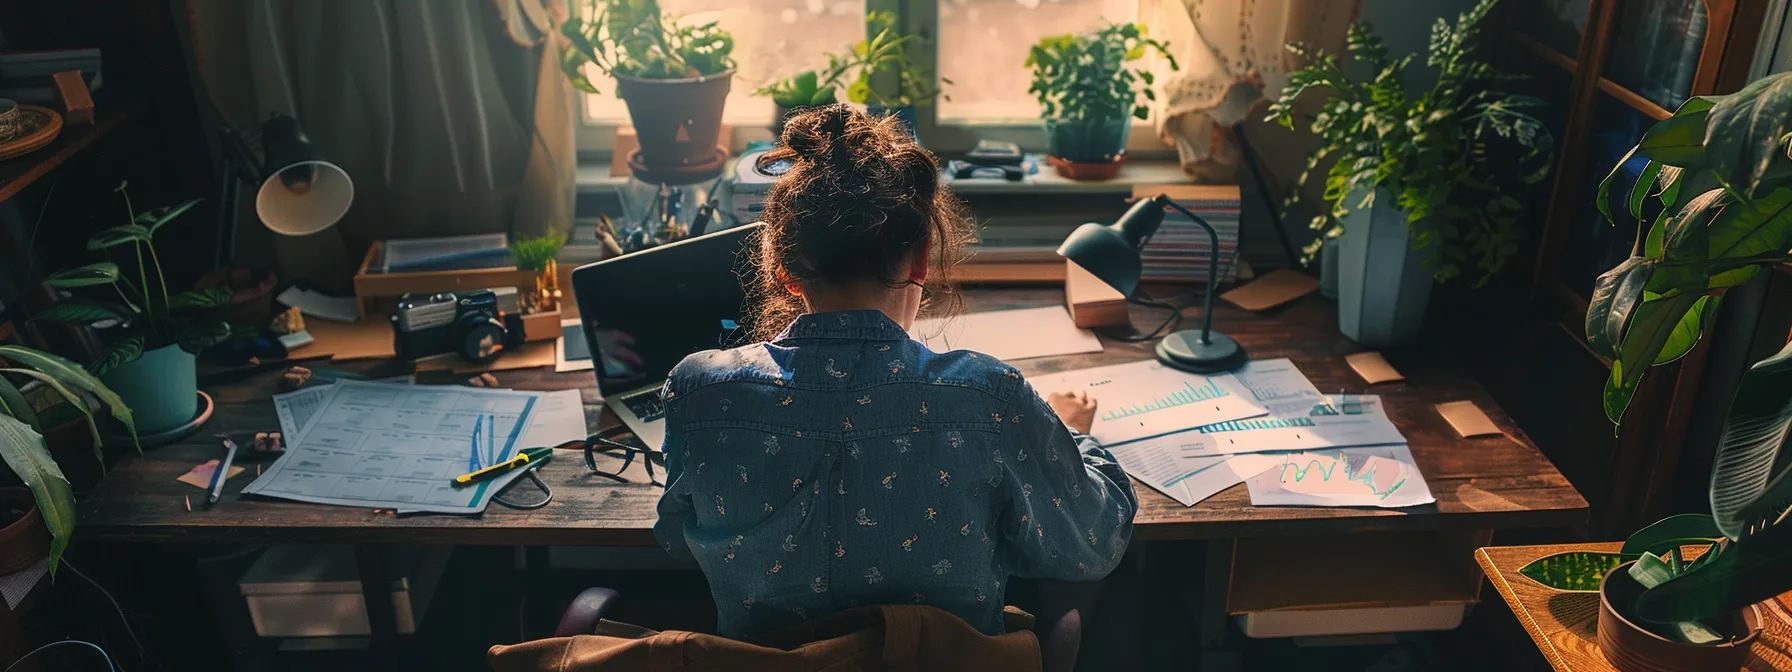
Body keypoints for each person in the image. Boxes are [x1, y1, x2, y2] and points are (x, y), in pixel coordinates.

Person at [653, 105, 1137, 640]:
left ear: (783, 267)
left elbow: (679, 537)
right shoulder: (988, 399)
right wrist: (1070, 435)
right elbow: (1093, 545)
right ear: (919, 260)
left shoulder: (700, 393)